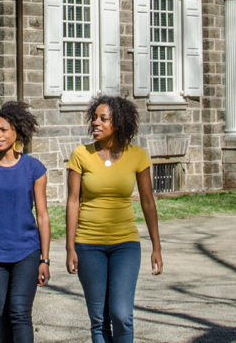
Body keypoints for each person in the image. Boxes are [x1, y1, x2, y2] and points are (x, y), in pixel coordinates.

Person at [65, 95, 162, 343]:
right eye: (95, 118)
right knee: (99, 319)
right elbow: (73, 201)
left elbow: (148, 201)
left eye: (103, 118)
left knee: (121, 314)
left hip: (125, 244)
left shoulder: (138, 156)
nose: (95, 122)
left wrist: (156, 247)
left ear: (118, 123)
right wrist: (70, 248)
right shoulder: (80, 155)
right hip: (88, 244)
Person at [0, 101, 51, 343]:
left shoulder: (34, 168)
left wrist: (45, 259)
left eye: (3, 130)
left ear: (17, 132)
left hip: (27, 252)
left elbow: (43, 215)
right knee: (3, 315)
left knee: (19, 311)